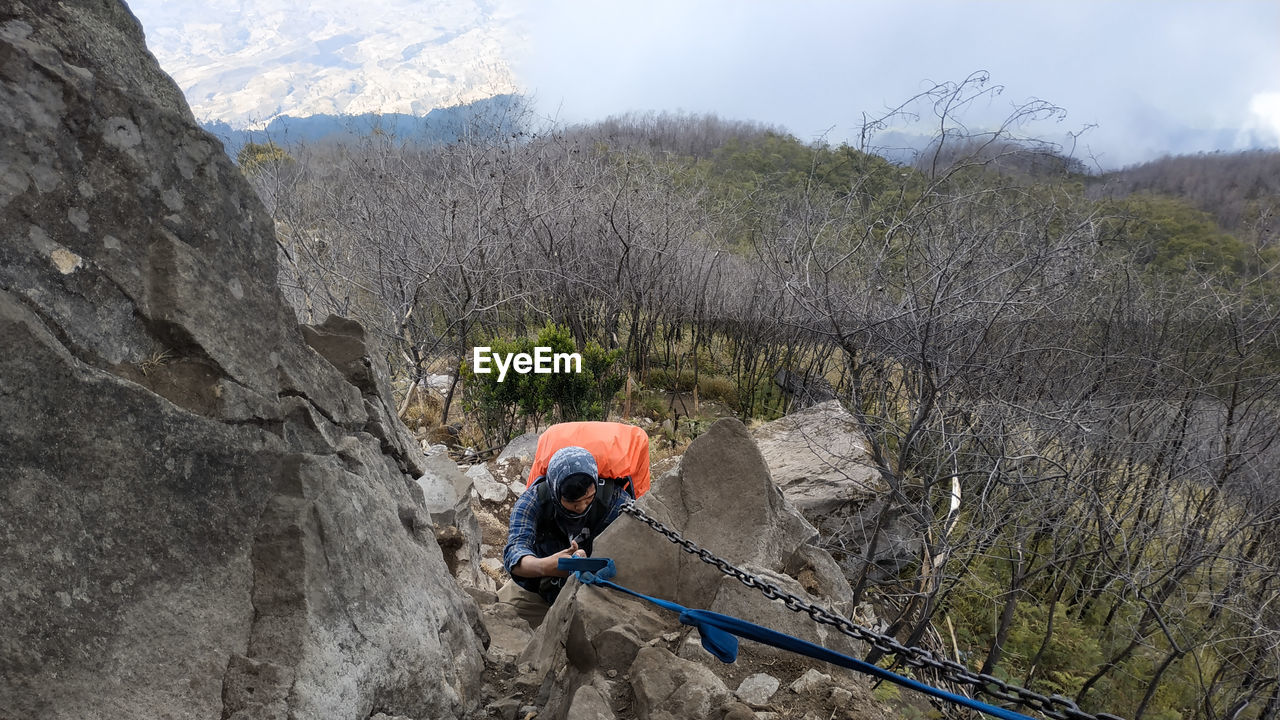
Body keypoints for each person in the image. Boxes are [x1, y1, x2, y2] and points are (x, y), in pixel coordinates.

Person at [499, 445, 629, 628]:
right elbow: (515, 553)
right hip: (537, 591)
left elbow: (632, 547)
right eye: (572, 502)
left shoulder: (614, 500)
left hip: (597, 589)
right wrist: (546, 566)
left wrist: (593, 563)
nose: (582, 507)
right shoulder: (533, 501)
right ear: (554, 490)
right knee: (499, 620)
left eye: (588, 498)